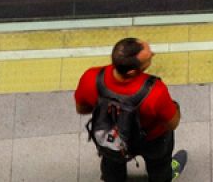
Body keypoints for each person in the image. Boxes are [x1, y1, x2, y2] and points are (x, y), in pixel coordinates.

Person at [73, 38, 187, 182]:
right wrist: (175, 106)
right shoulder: (155, 91)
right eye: (149, 56)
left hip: (113, 137)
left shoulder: (91, 77)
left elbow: (81, 109)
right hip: (152, 139)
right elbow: (172, 123)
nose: (153, 54)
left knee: (112, 162)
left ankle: (113, 178)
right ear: (133, 71)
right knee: (159, 164)